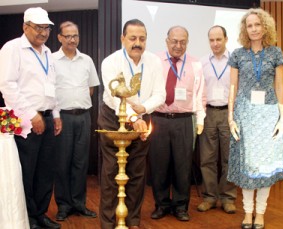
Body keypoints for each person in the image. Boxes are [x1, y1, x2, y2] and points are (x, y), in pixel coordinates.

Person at [98, 19, 166, 229]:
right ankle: (109, 223)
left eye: (142, 39)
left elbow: (160, 94)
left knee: (137, 172)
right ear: (123, 39)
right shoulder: (110, 62)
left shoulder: (154, 61)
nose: (138, 43)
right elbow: (113, 96)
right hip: (112, 118)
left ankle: (132, 220)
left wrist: (143, 110)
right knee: (111, 172)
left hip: (142, 117)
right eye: (133, 38)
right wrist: (134, 117)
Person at [0, 7, 62, 229]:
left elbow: (51, 87)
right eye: (38, 28)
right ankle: (28, 217)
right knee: (26, 170)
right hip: (22, 120)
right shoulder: (12, 49)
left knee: (45, 171)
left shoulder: (47, 52)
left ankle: (40, 214)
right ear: (25, 26)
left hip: (45, 117)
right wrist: (31, 114)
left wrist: (55, 114)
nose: (43, 33)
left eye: (46, 28)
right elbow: (7, 86)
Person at [227, 8, 283, 229]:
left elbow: (279, 86)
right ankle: (247, 212)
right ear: (245, 29)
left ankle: (260, 213)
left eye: (257, 24)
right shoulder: (237, 54)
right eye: (249, 25)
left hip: (268, 114)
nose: (253, 29)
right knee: (247, 166)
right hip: (244, 114)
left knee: (265, 167)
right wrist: (230, 118)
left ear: (265, 27)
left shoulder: (275, 53)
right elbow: (232, 88)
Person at [149, 26, 206, 222]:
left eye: (183, 42)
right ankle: (162, 204)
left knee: (183, 166)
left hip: (184, 121)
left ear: (187, 43)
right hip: (159, 119)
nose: (178, 45)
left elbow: (200, 95)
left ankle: (181, 206)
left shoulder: (196, 64)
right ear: (167, 41)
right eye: (174, 41)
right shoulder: (154, 61)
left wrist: (200, 119)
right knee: (159, 165)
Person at [52, 21, 99, 221]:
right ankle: (63, 205)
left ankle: (79, 203)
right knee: (62, 163)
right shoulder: (51, 60)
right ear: (60, 38)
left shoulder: (87, 60)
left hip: (84, 117)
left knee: (81, 163)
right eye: (68, 36)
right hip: (61, 118)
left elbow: (91, 88)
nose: (72, 40)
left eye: (75, 36)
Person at [197, 25, 237, 214]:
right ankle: (210, 197)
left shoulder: (235, 60)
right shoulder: (202, 62)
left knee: (229, 159)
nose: (215, 43)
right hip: (208, 113)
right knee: (207, 159)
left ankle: (228, 198)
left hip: (230, 113)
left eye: (218, 39)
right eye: (211, 40)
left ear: (226, 39)